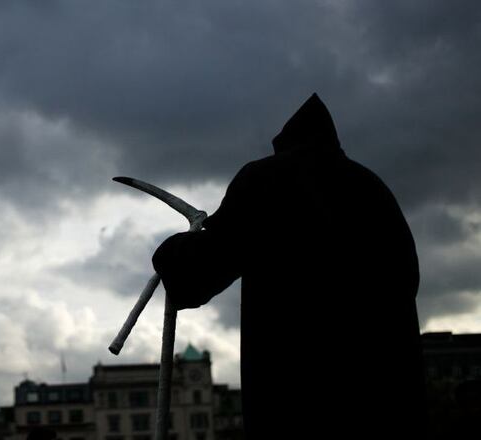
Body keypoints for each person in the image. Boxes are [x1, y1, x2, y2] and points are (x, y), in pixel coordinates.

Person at [152, 93, 425, 438]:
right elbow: (409, 281)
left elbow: (200, 272)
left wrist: (171, 252)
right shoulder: (374, 189)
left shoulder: (268, 177)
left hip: (301, 395)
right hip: (388, 400)